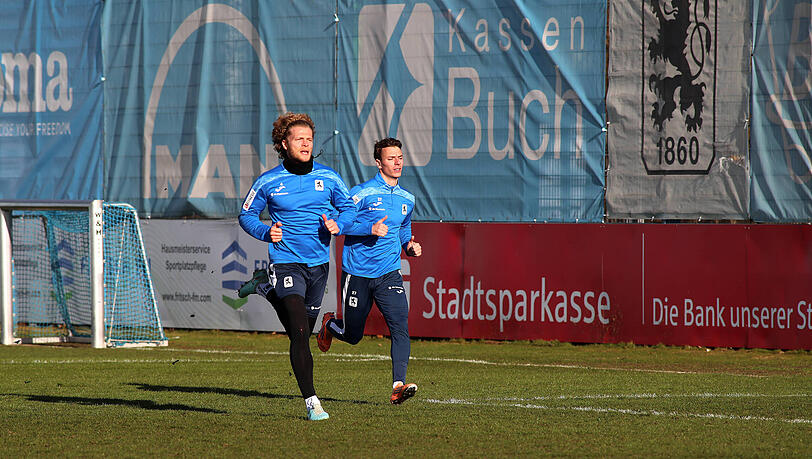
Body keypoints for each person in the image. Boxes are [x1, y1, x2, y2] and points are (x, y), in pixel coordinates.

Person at [237, 112, 356, 421]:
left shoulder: (328, 178)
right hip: (286, 262)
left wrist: (338, 224)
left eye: (310, 139)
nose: (306, 143)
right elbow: (246, 214)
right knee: (301, 333)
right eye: (299, 139)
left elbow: (349, 209)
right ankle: (312, 403)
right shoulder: (268, 180)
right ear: (283, 144)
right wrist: (266, 231)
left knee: (300, 330)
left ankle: (264, 287)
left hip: (318, 266)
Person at [316, 137, 422, 405]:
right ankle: (330, 324)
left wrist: (409, 247)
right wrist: (369, 229)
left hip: (389, 273)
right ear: (378, 162)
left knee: (400, 326)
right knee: (353, 336)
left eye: (399, 157)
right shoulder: (361, 193)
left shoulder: (407, 199)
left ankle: (398, 385)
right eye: (390, 158)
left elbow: (404, 232)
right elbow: (338, 224)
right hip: (358, 274)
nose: (397, 163)